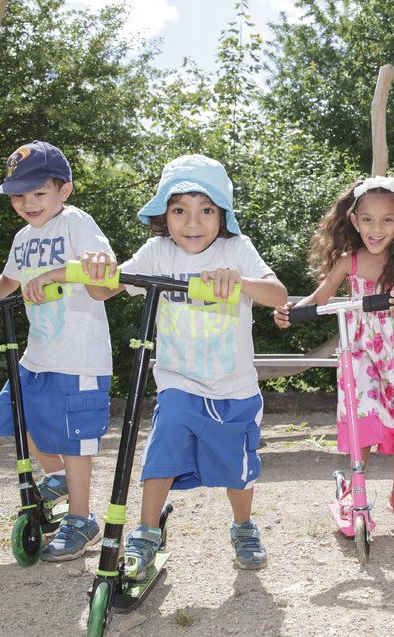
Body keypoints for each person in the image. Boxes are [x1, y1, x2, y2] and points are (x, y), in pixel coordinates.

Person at [33, 154, 287, 574]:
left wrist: (237, 282)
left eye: (206, 210)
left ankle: (243, 525)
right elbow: (105, 290)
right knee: (162, 447)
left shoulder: (235, 249)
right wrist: (74, 272)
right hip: (178, 381)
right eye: (179, 210)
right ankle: (146, 531)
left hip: (234, 386)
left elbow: (277, 294)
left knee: (238, 470)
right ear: (163, 216)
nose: (192, 222)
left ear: (221, 214)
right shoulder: (157, 252)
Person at [0, 140, 113, 561]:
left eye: (38, 193)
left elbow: (105, 276)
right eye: (18, 196)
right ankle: (57, 477)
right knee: (14, 413)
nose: (27, 203)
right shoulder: (24, 237)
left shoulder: (77, 224)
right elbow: (8, 280)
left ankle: (81, 520)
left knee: (75, 440)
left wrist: (62, 271)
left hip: (79, 355)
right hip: (38, 354)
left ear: (65, 190)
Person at [273, 176, 394, 521]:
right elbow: (318, 299)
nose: (376, 228)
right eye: (368, 219)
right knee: (362, 413)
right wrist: (291, 312)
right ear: (354, 221)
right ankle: (357, 489)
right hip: (361, 350)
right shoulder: (347, 262)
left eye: (387, 220)